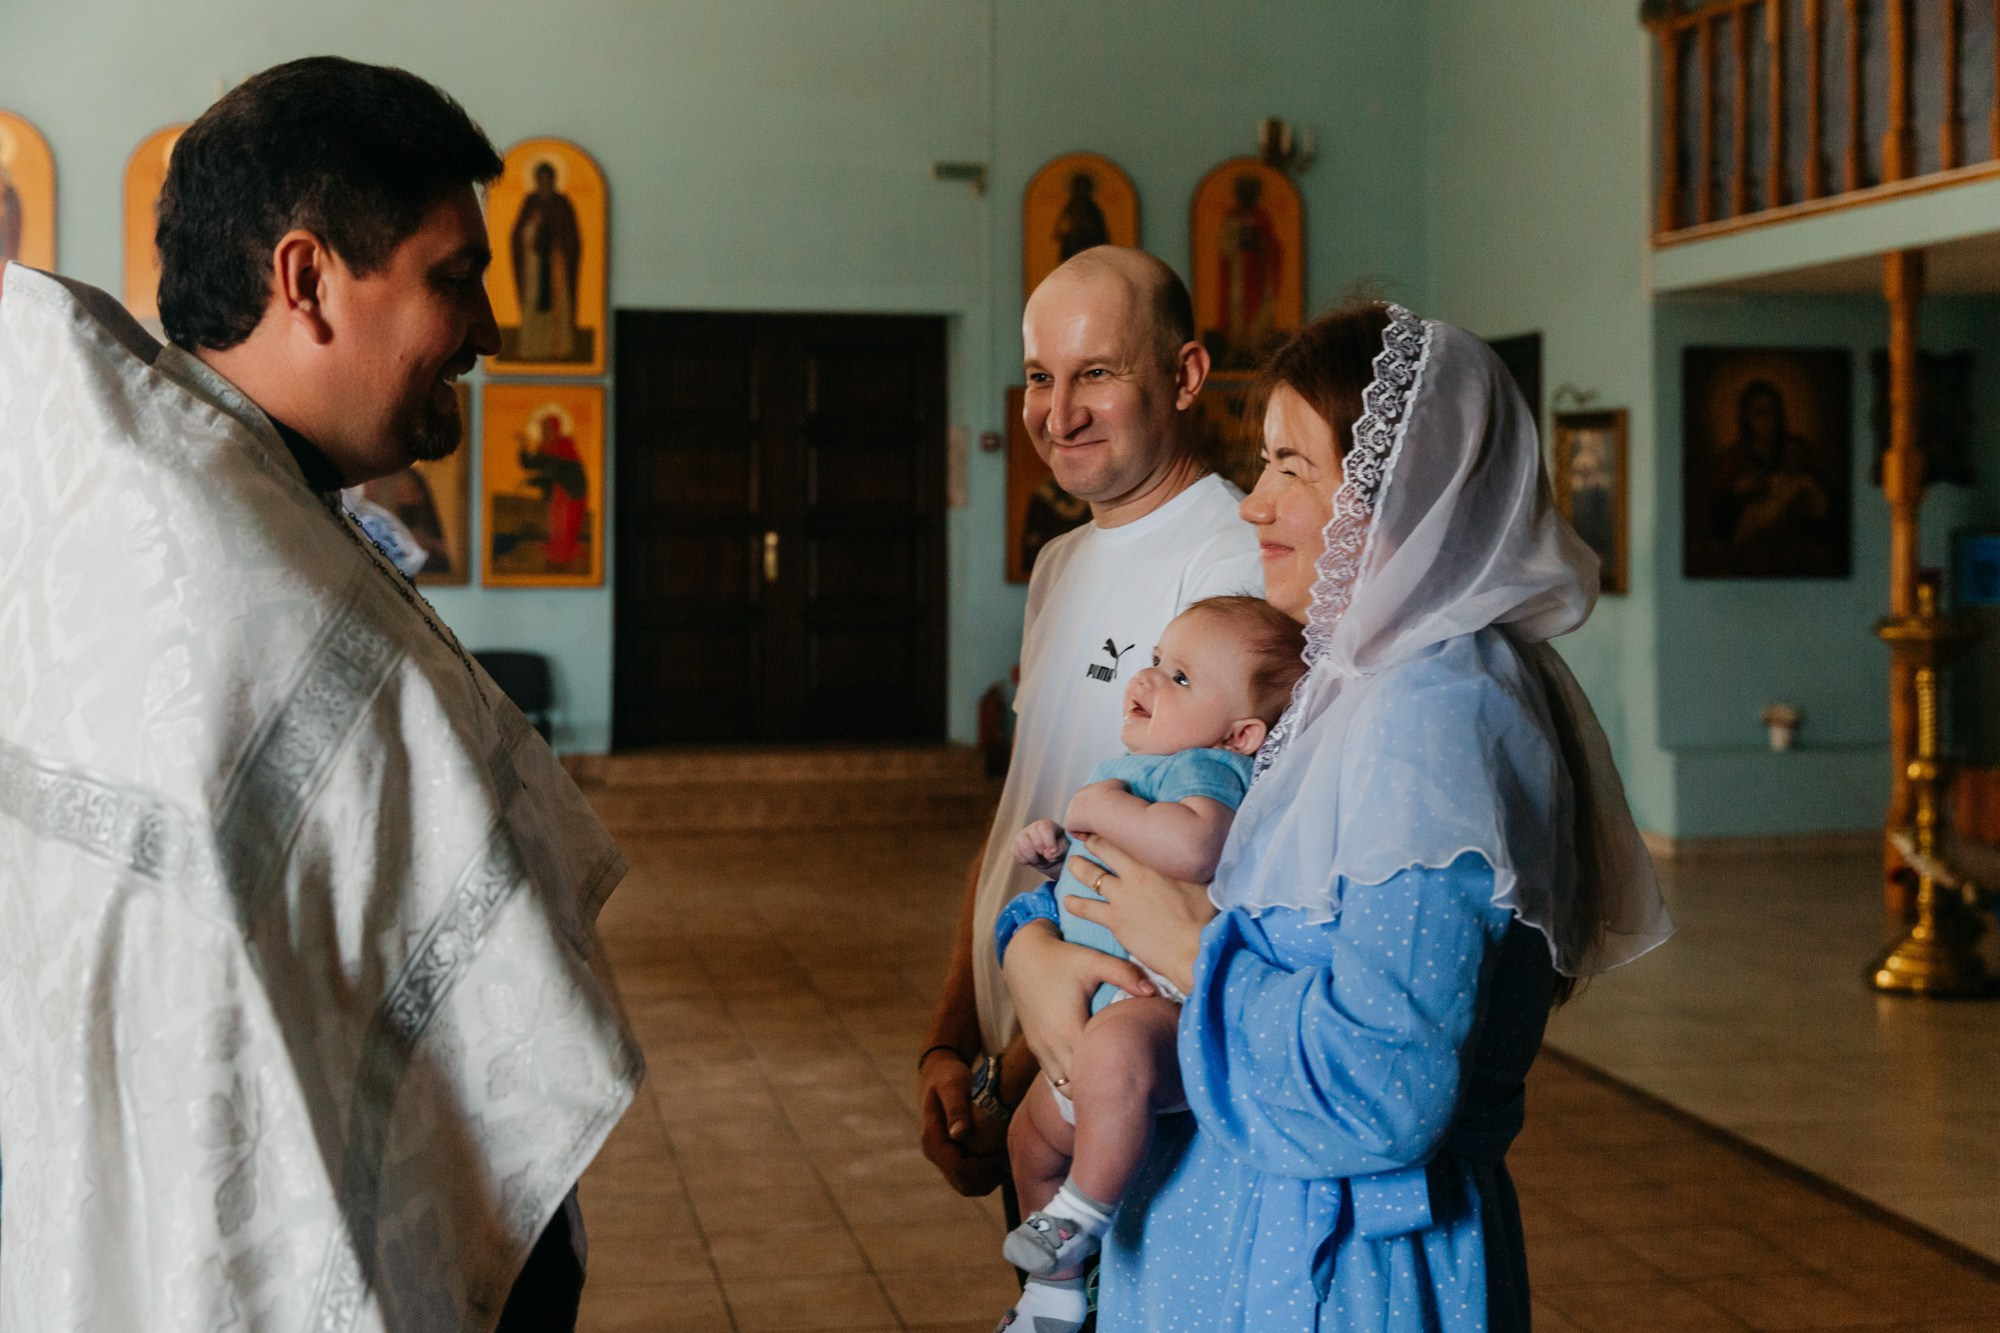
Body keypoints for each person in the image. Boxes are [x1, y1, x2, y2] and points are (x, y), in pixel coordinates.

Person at [0, 58, 639, 1332]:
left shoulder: (142, 509)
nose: (492, 329)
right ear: (306, 279)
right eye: (453, 277)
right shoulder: (246, 581)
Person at [1003, 302, 1673, 1330]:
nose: (1255, 504)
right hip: (1245, 1252)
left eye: (1292, 467)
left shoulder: (1432, 718)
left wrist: (1188, 953)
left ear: (1399, 494)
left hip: (1333, 1279)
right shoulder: (1349, 685)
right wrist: (1034, 947)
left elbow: (1384, 1088)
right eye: (1262, 465)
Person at [917, 247, 1262, 1205]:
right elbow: (1020, 815)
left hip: (1114, 1077)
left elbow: (1172, 874)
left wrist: (1010, 1084)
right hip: (1021, 1049)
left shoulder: (1231, 563)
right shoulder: (1061, 560)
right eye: (1040, 376)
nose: (1057, 412)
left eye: (1096, 373)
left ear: (1185, 376)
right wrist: (949, 1041)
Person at [992, 596, 1304, 1330]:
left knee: (1111, 1056)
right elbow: (1116, 870)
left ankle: (1083, 1213)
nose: (1150, 677)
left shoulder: (1208, 769)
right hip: (1100, 1019)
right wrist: (1061, 855)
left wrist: (1097, 807)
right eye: (1158, 660)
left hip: (1158, 1006)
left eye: (1182, 678)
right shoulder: (1138, 770)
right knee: (1026, 1141)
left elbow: (1194, 848)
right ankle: (1053, 1289)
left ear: (1241, 733)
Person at [511, 160, 583, 362]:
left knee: (559, 305)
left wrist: (559, 243)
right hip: (534, 263)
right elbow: (518, 235)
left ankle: (560, 348)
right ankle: (532, 349)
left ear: (553, 179)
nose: (544, 182)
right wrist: (532, 230)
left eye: (548, 178)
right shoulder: (530, 202)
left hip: (557, 264)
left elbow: (572, 236)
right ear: (536, 180)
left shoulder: (562, 203)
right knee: (533, 303)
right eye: (541, 179)